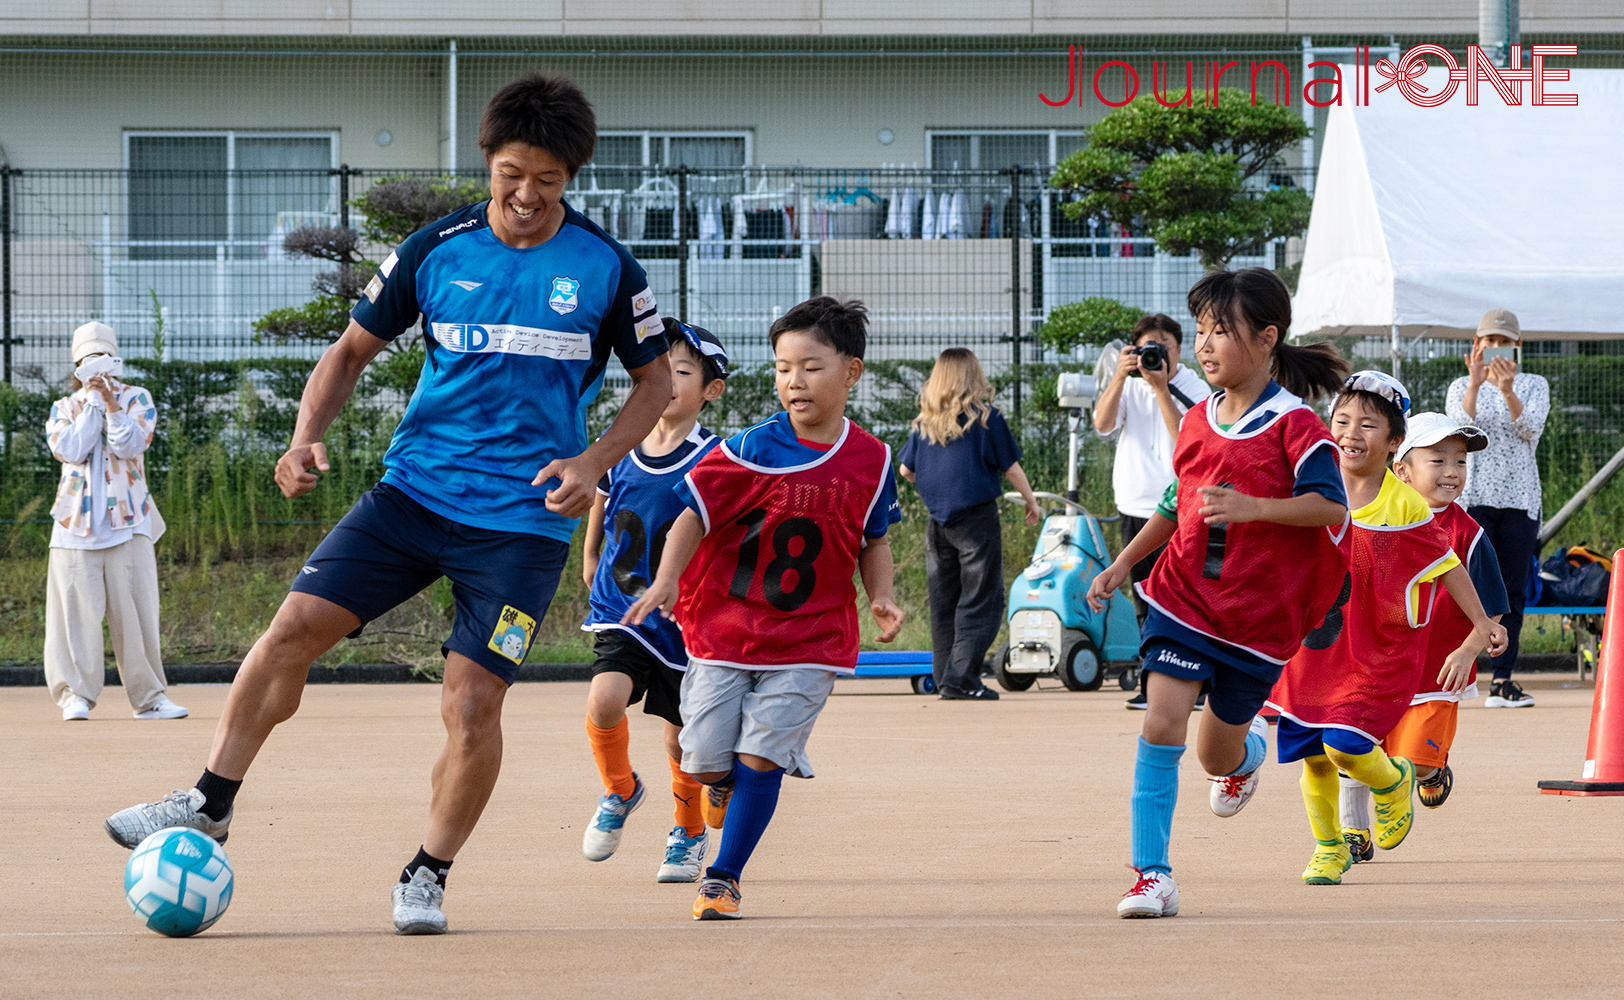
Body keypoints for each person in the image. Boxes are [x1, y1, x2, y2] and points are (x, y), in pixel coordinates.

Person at [102, 73, 674, 936]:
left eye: (548, 180)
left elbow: (655, 382)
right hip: (411, 496)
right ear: (489, 160)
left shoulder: (605, 268)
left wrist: (595, 460)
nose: (526, 195)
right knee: (292, 629)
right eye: (512, 173)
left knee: (473, 703)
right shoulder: (433, 250)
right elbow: (347, 353)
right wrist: (302, 438)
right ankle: (210, 801)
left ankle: (428, 874)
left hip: (521, 525)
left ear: (572, 178)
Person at [623, 297, 904, 921]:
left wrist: (880, 595)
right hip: (725, 631)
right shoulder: (750, 448)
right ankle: (723, 784)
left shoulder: (874, 460)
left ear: (850, 373)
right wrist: (668, 579)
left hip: (811, 638)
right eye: (782, 368)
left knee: (762, 757)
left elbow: (875, 537)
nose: (793, 382)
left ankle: (723, 877)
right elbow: (692, 515)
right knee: (701, 759)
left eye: (810, 367)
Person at [1086, 268, 1353, 919]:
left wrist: (1255, 508)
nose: (1204, 346)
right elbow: (1178, 504)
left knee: (1214, 750)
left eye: (1219, 332)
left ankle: (1247, 753)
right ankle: (1152, 876)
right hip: (1184, 599)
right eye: (1200, 331)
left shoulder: (1299, 427)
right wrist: (1122, 564)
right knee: (1161, 721)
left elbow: (1329, 508)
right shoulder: (1199, 418)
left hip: (1257, 621)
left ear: (1266, 339)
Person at [1268, 375, 1508, 885]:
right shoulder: (1312, 488)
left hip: (1376, 652)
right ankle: (1330, 847)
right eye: (1343, 421)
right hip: (1317, 644)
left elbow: (1448, 566)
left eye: (1368, 424)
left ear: (1393, 441)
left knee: (1343, 744)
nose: (1352, 433)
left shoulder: (1406, 508)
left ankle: (1395, 780)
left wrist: (1483, 622)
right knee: (1314, 757)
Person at [578, 320, 728, 882]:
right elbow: (600, 499)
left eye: (682, 372)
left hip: (687, 619)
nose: (666, 381)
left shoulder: (715, 458)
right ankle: (620, 790)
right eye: (658, 370)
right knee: (604, 699)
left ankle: (687, 830)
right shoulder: (620, 445)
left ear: (711, 390)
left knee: (682, 736)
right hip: (622, 606)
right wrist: (590, 556)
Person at [1337, 411, 1509, 862]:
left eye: (1460, 462)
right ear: (1402, 470)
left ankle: (1432, 774)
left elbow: (1491, 608)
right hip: (1373, 667)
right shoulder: (1369, 520)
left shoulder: (1468, 534)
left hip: (1436, 674)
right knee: (1352, 749)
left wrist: (1469, 649)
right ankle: (1353, 832)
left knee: (1413, 765)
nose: (1452, 471)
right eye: (1438, 460)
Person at [43, 321, 185, 723]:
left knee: (139, 613)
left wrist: (110, 404)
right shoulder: (64, 407)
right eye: (88, 360)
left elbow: (131, 444)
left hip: (130, 521)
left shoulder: (138, 399)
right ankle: (75, 696)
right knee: (72, 615)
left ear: (116, 359)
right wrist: (90, 403)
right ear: (77, 367)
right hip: (73, 527)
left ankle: (151, 698)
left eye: (103, 357)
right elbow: (70, 449)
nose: (97, 368)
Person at [898, 348, 1041, 701]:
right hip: (975, 518)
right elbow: (1010, 466)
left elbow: (906, 471)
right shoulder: (986, 420)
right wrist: (1030, 500)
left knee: (944, 602)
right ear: (972, 377)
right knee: (982, 599)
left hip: (938, 521)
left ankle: (947, 676)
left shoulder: (924, 424)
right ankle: (962, 678)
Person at [1092, 314, 1211, 709]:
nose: (1156, 354)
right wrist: (1120, 376)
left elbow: (1186, 444)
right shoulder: (1128, 384)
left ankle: (1195, 682)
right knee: (1145, 596)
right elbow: (1103, 424)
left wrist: (1162, 389)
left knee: (1187, 595)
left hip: (1182, 508)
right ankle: (1153, 683)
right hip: (1134, 503)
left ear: (1179, 350)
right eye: (1147, 347)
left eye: (1164, 347)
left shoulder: (1195, 387)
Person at [1446, 308, 1549, 709]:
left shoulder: (1534, 384)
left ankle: (1502, 680)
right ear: (1477, 345)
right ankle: (1457, 671)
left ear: (1516, 346)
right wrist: (1475, 386)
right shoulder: (1460, 385)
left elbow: (1531, 428)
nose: (1494, 349)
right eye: (1488, 341)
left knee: (1512, 590)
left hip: (1521, 499)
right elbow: (1457, 432)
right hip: (1473, 499)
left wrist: (1507, 390)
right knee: (1464, 587)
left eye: (1502, 342)